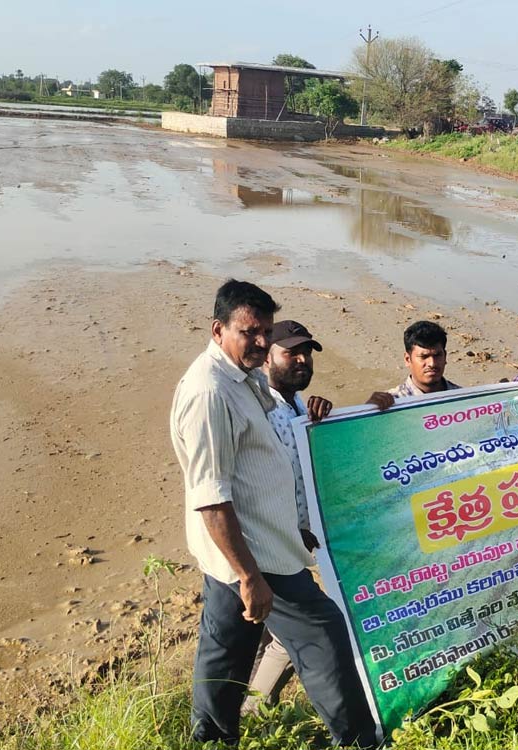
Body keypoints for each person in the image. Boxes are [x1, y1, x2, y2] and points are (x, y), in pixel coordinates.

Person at [170, 280, 377, 746]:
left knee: (227, 653)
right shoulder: (210, 392)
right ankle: (362, 740)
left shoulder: (241, 379)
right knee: (323, 634)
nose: (261, 342)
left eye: (265, 331)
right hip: (257, 557)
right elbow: (211, 495)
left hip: (243, 553)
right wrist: (249, 577)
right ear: (218, 329)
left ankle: (212, 738)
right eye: (250, 332)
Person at [242, 320, 332, 715]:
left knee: (265, 635)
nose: (301, 359)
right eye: (291, 352)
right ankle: (254, 711)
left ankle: (249, 709)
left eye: (307, 352)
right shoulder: (258, 409)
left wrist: (323, 421)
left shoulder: (297, 406)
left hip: (296, 543)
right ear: (266, 358)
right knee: (302, 629)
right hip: (268, 546)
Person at [389, 320, 461, 398]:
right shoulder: (392, 404)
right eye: (424, 357)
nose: (432, 363)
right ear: (408, 359)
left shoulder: (463, 399)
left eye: (437, 355)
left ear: (445, 357)